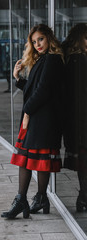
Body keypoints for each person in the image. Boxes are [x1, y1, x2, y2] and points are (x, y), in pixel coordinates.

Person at [1, 24, 64, 219]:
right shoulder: (43, 60)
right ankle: (36, 198)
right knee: (29, 159)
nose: (37, 44)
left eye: (41, 39)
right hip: (40, 117)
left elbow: (43, 90)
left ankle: (28, 200)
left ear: (49, 38)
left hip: (43, 119)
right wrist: (17, 78)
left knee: (34, 160)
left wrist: (27, 111)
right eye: (34, 41)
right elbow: (34, 88)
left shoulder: (53, 60)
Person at [62, 23, 87, 212]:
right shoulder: (77, 60)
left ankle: (84, 198)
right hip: (80, 121)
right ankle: (84, 198)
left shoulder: (72, 59)